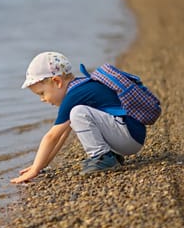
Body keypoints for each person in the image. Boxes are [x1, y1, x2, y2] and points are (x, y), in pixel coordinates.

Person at [10, 52, 146, 184]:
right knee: (76, 114)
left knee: (78, 112)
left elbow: (51, 137)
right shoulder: (80, 86)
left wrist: (34, 170)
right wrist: (41, 165)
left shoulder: (73, 96)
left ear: (57, 81)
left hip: (128, 136)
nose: (42, 99)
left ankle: (102, 156)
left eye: (42, 93)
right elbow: (63, 134)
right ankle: (109, 156)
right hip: (130, 135)